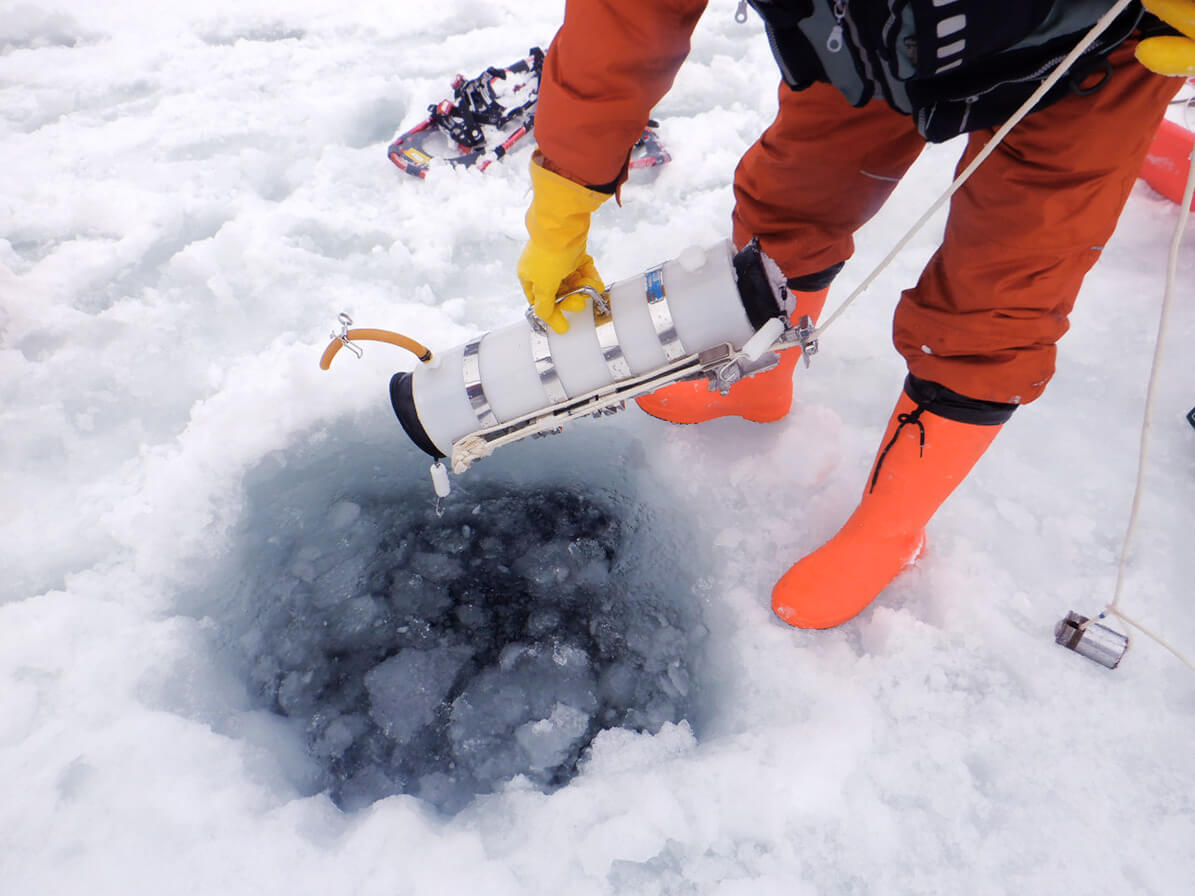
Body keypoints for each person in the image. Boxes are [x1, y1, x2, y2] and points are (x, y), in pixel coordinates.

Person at [515, 0, 1194, 629]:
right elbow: (623, 24)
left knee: (1002, 289)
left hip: (1092, 54)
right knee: (793, 194)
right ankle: (757, 381)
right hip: (871, 34)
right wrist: (559, 212)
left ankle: (891, 529)